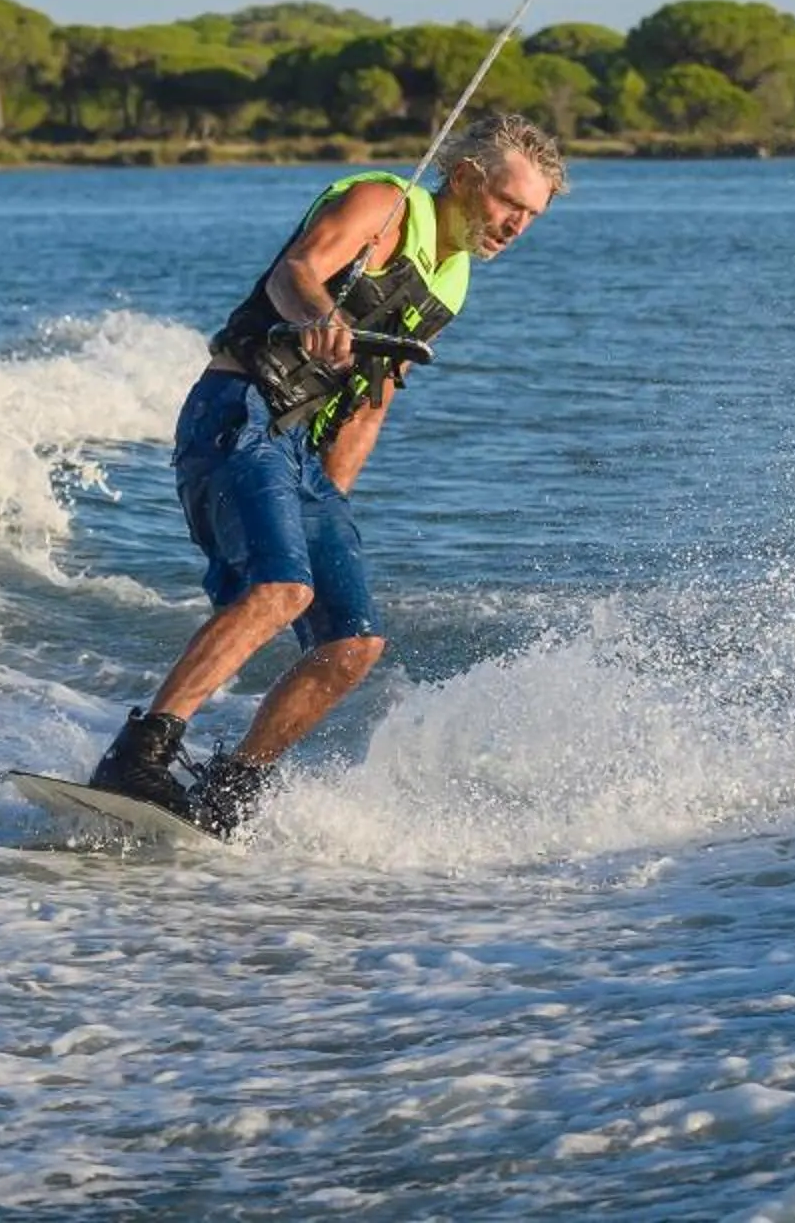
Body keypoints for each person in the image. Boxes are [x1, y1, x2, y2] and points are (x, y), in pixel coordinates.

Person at [86, 111, 567, 836]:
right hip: (238, 410)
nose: (515, 227)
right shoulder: (385, 204)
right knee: (282, 589)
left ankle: (231, 788)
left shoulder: (455, 280)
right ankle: (140, 751)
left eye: (531, 216)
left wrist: (328, 508)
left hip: (302, 456)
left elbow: (371, 402)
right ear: (466, 178)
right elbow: (296, 273)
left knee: (353, 643)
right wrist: (317, 314)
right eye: (509, 204)